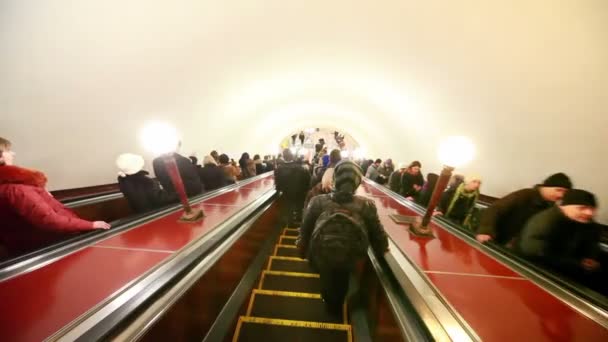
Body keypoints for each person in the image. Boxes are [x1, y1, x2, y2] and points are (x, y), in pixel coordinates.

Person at [297, 161, 389, 315]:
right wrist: (383, 249)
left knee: (326, 277)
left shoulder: (318, 201)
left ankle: (328, 300)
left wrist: (301, 246)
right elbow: (377, 233)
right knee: (342, 279)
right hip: (350, 256)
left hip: (322, 253)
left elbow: (305, 229)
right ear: (357, 182)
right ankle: (338, 306)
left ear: (336, 179)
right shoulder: (366, 205)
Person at [0, 137, 110, 259]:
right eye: (8, 150)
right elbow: (48, 220)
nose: (12, 153)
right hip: (46, 247)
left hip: (24, 247)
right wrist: (91, 225)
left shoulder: (12, 187)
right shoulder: (16, 190)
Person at [518, 189, 602, 287]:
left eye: (592, 209)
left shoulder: (588, 223)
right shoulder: (545, 221)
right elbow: (534, 252)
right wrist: (577, 263)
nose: (589, 213)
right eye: (582, 208)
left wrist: (590, 258)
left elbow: (592, 243)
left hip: (570, 269)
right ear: (564, 207)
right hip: (537, 273)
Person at [476, 173, 572, 246]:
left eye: (565, 192)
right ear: (546, 186)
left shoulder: (551, 207)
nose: (561, 195)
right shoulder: (524, 195)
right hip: (495, 241)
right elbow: (495, 209)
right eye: (558, 190)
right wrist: (485, 231)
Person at [274, 148, 311, 226]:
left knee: (288, 206)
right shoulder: (301, 167)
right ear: (292, 156)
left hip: (287, 191)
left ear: (283, 157)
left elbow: (277, 181)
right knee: (300, 205)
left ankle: (290, 222)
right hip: (300, 191)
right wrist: (306, 189)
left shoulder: (279, 168)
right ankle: (300, 220)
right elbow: (307, 178)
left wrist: (279, 189)